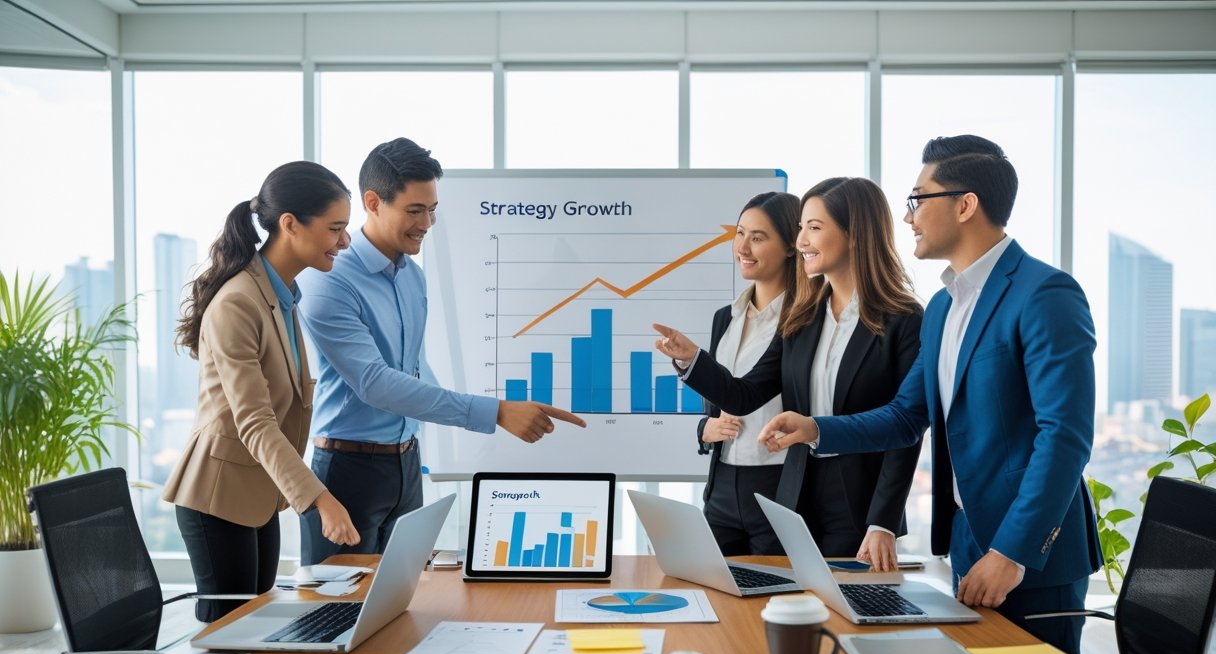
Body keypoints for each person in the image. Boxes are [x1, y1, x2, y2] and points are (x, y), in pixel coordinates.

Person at [755, 136, 1101, 654]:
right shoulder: (942, 306)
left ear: (965, 205)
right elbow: (906, 414)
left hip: (1031, 558)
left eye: (919, 199)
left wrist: (1011, 551)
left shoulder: (1044, 294)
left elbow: (1065, 438)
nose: (909, 217)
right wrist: (817, 428)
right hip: (969, 545)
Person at [296, 138, 585, 565]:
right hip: (346, 470)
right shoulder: (330, 280)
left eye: (432, 210)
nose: (427, 223)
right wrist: (496, 412)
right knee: (336, 613)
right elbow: (375, 382)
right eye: (415, 210)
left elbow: (412, 369)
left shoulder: (412, 276)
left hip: (406, 466)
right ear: (373, 203)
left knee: (400, 602)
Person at [655, 177, 924, 569]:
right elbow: (744, 395)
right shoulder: (802, 318)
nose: (801, 241)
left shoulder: (904, 319)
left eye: (814, 228)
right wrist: (691, 359)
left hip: (859, 505)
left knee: (849, 613)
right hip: (794, 499)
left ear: (854, 235)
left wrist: (883, 520)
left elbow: (906, 427)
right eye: (800, 228)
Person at [163, 161, 361, 623]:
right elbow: (255, 421)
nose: (345, 241)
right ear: (290, 224)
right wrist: (320, 499)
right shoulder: (238, 301)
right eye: (335, 228)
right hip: (217, 498)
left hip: (255, 493)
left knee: (255, 630)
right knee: (226, 635)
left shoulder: (280, 293)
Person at [691, 192, 799, 555]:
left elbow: (749, 391)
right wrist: (704, 429)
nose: (743, 247)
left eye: (758, 237)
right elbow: (720, 396)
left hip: (777, 479)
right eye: (740, 233)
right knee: (715, 593)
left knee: (770, 601)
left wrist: (690, 360)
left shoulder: (804, 320)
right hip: (722, 483)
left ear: (790, 246)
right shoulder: (726, 317)